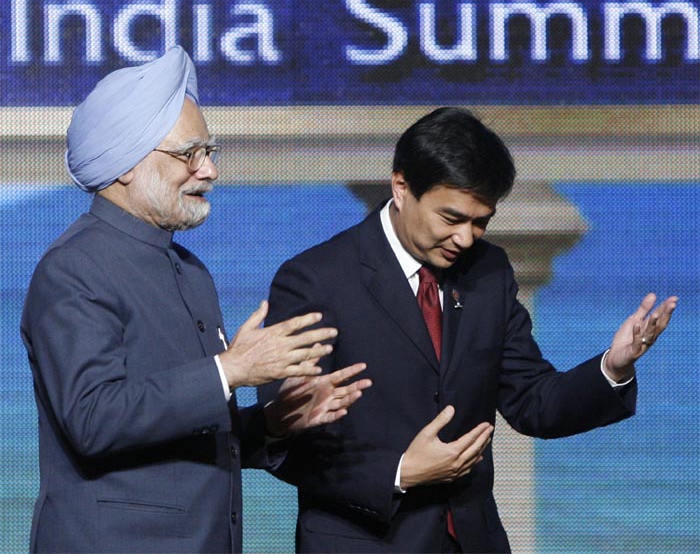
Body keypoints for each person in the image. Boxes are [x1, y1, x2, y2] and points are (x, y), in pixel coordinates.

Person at [257, 107, 677, 553]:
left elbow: (532, 400)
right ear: (401, 188)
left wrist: (612, 367)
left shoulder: (489, 272)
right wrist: (398, 471)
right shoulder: (316, 280)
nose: (466, 239)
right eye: (452, 219)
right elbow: (283, 438)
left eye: (481, 222)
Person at [20, 46, 371, 554]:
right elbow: (94, 420)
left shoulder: (191, 271)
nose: (208, 171)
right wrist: (231, 370)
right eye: (190, 154)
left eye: (210, 152)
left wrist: (270, 424)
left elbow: (185, 434)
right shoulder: (74, 268)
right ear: (126, 164)